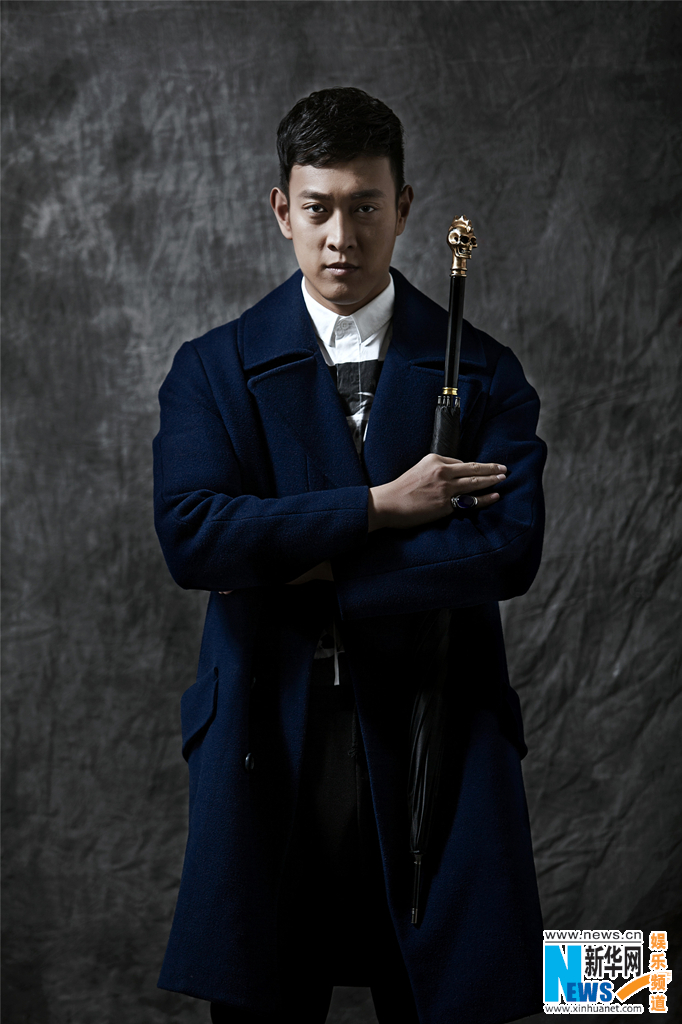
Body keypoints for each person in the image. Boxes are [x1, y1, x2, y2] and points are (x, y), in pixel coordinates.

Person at [153, 88, 546, 1024]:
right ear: (281, 210)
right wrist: (382, 508)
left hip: (437, 731)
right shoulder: (211, 369)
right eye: (319, 208)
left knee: (460, 998)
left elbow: (507, 550)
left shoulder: (485, 371)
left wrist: (290, 558)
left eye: (366, 206)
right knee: (263, 996)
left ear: (402, 208)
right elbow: (194, 537)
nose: (342, 237)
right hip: (268, 741)